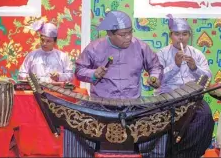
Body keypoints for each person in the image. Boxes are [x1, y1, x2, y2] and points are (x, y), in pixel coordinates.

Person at [65, 10, 164, 157]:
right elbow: (79, 70)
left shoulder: (141, 47)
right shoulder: (94, 48)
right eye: (123, 34)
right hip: (99, 104)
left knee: (162, 118)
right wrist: (93, 74)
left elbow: (155, 66)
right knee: (71, 118)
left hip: (132, 104)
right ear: (110, 34)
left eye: (130, 32)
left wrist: (155, 77)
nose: (129, 38)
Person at [155, 14, 214, 158]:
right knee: (165, 119)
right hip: (167, 96)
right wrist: (174, 65)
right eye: (177, 34)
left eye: (184, 34)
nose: (181, 38)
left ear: (189, 36)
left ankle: (186, 153)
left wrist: (194, 68)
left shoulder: (197, 54)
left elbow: (207, 78)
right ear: (171, 35)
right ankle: (169, 152)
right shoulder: (161, 54)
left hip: (192, 96)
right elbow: (157, 79)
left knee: (205, 116)